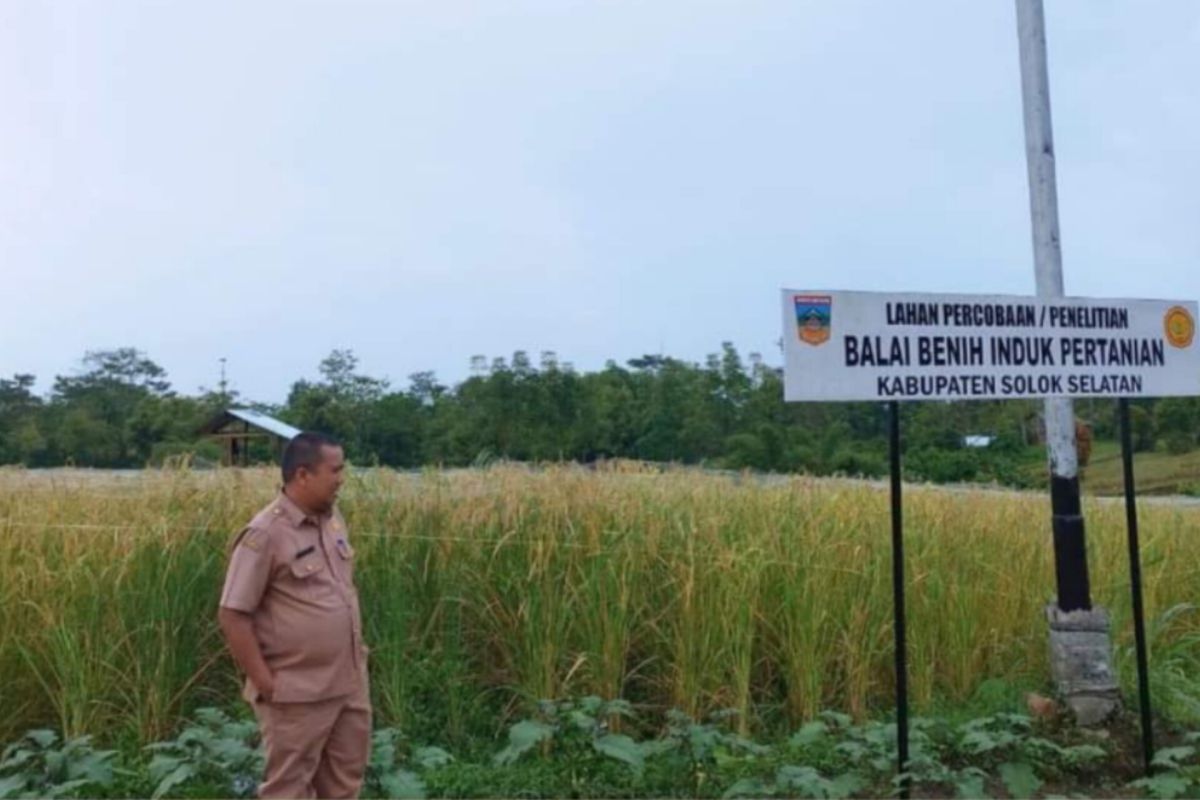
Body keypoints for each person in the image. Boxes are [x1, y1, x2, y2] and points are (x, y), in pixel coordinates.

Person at [217, 432, 371, 799]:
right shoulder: (265, 534)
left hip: (348, 684)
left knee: (344, 783)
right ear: (303, 475)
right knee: (288, 789)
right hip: (296, 693)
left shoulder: (332, 521)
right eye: (334, 470)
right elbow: (233, 613)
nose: (341, 479)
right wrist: (267, 684)